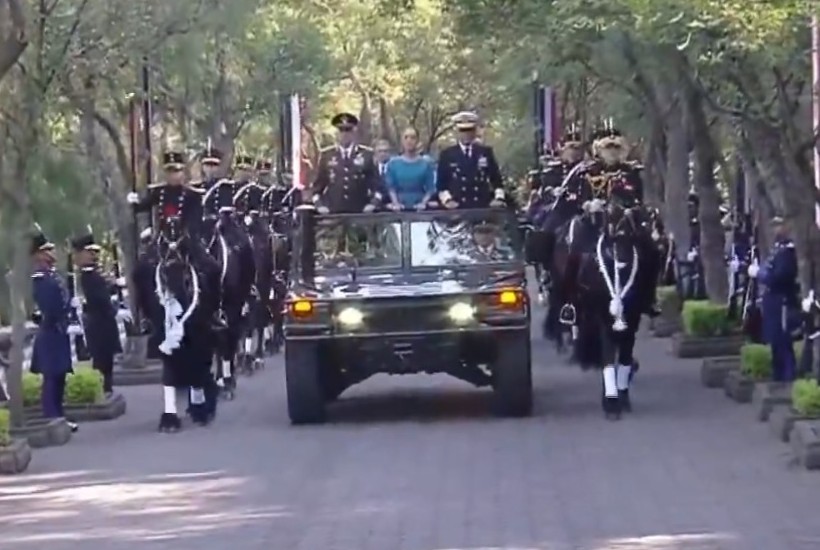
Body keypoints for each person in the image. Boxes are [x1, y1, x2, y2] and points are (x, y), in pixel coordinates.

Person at [126, 149, 225, 329]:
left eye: (177, 171)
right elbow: (143, 207)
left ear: (183, 172)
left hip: (186, 240)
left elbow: (195, 219)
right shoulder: (159, 193)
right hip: (163, 240)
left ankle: (213, 312)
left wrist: (187, 235)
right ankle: (146, 315)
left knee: (214, 269)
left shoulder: (193, 194)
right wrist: (134, 203)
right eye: (170, 171)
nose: (174, 175)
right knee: (139, 271)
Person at [30, 225, 78, 432]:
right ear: (38, 254)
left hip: (59, 331)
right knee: (51, 377)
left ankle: (60, 416)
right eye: (46, 250)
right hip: (50, 331)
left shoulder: (51, 275)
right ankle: (52, 418)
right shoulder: (39, 278)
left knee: (60, 377)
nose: (51, 253)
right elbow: (47, 306)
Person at [71, 230, 125, 397]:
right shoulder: (89, 276)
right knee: (102, 360)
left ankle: (106, 389)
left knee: (106, 361)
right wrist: (115, 307)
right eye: (90, 253)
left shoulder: (93, 274)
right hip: (99, 323)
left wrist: (113, 286)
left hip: (102, 321)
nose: (93, 256)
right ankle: (103, 391)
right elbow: (99, 300)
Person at [751, 216, 800, 382]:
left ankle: (787, 377)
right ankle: (778, 376)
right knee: (774, 341)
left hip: (782, 300)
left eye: (779, 225)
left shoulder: (788, 251)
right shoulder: (778, 249)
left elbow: (780, 276)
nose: (775, 230)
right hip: (772, 300)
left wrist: (760, 274)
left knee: (783, 340)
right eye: (774, 226)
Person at [312, 112, 381, 213]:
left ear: (354, 132)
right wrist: (320, 206)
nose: (344, 134)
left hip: (359, 212)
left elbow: (377, 186)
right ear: (336, 133)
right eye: (341, 130)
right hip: (333, 213)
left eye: (348, 130)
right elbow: (317, 187)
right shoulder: (327, 155)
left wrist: (373, 204)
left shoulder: (366, 154)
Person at [436, 111, 504, 209]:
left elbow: (497, 180)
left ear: (474, 131)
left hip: (481, 207)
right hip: (456, 208)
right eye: (463, 130)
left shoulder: (485, 152)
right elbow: (441, 184)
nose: (466, 134)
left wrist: (499, 198)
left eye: (469, 130)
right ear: (457, 132)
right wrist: (447, 200)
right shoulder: (447, 155)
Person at [385, 127, 436, 210]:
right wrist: (396, 203)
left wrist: (423, 203)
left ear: (417, 141)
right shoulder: (393, 163)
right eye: (406, 137)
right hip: (399, 207)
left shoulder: (426, 164)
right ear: (402, 141)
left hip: (419, 207)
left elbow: (430, 188)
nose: (409, 141)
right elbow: (391, 187)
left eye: (412, 137)